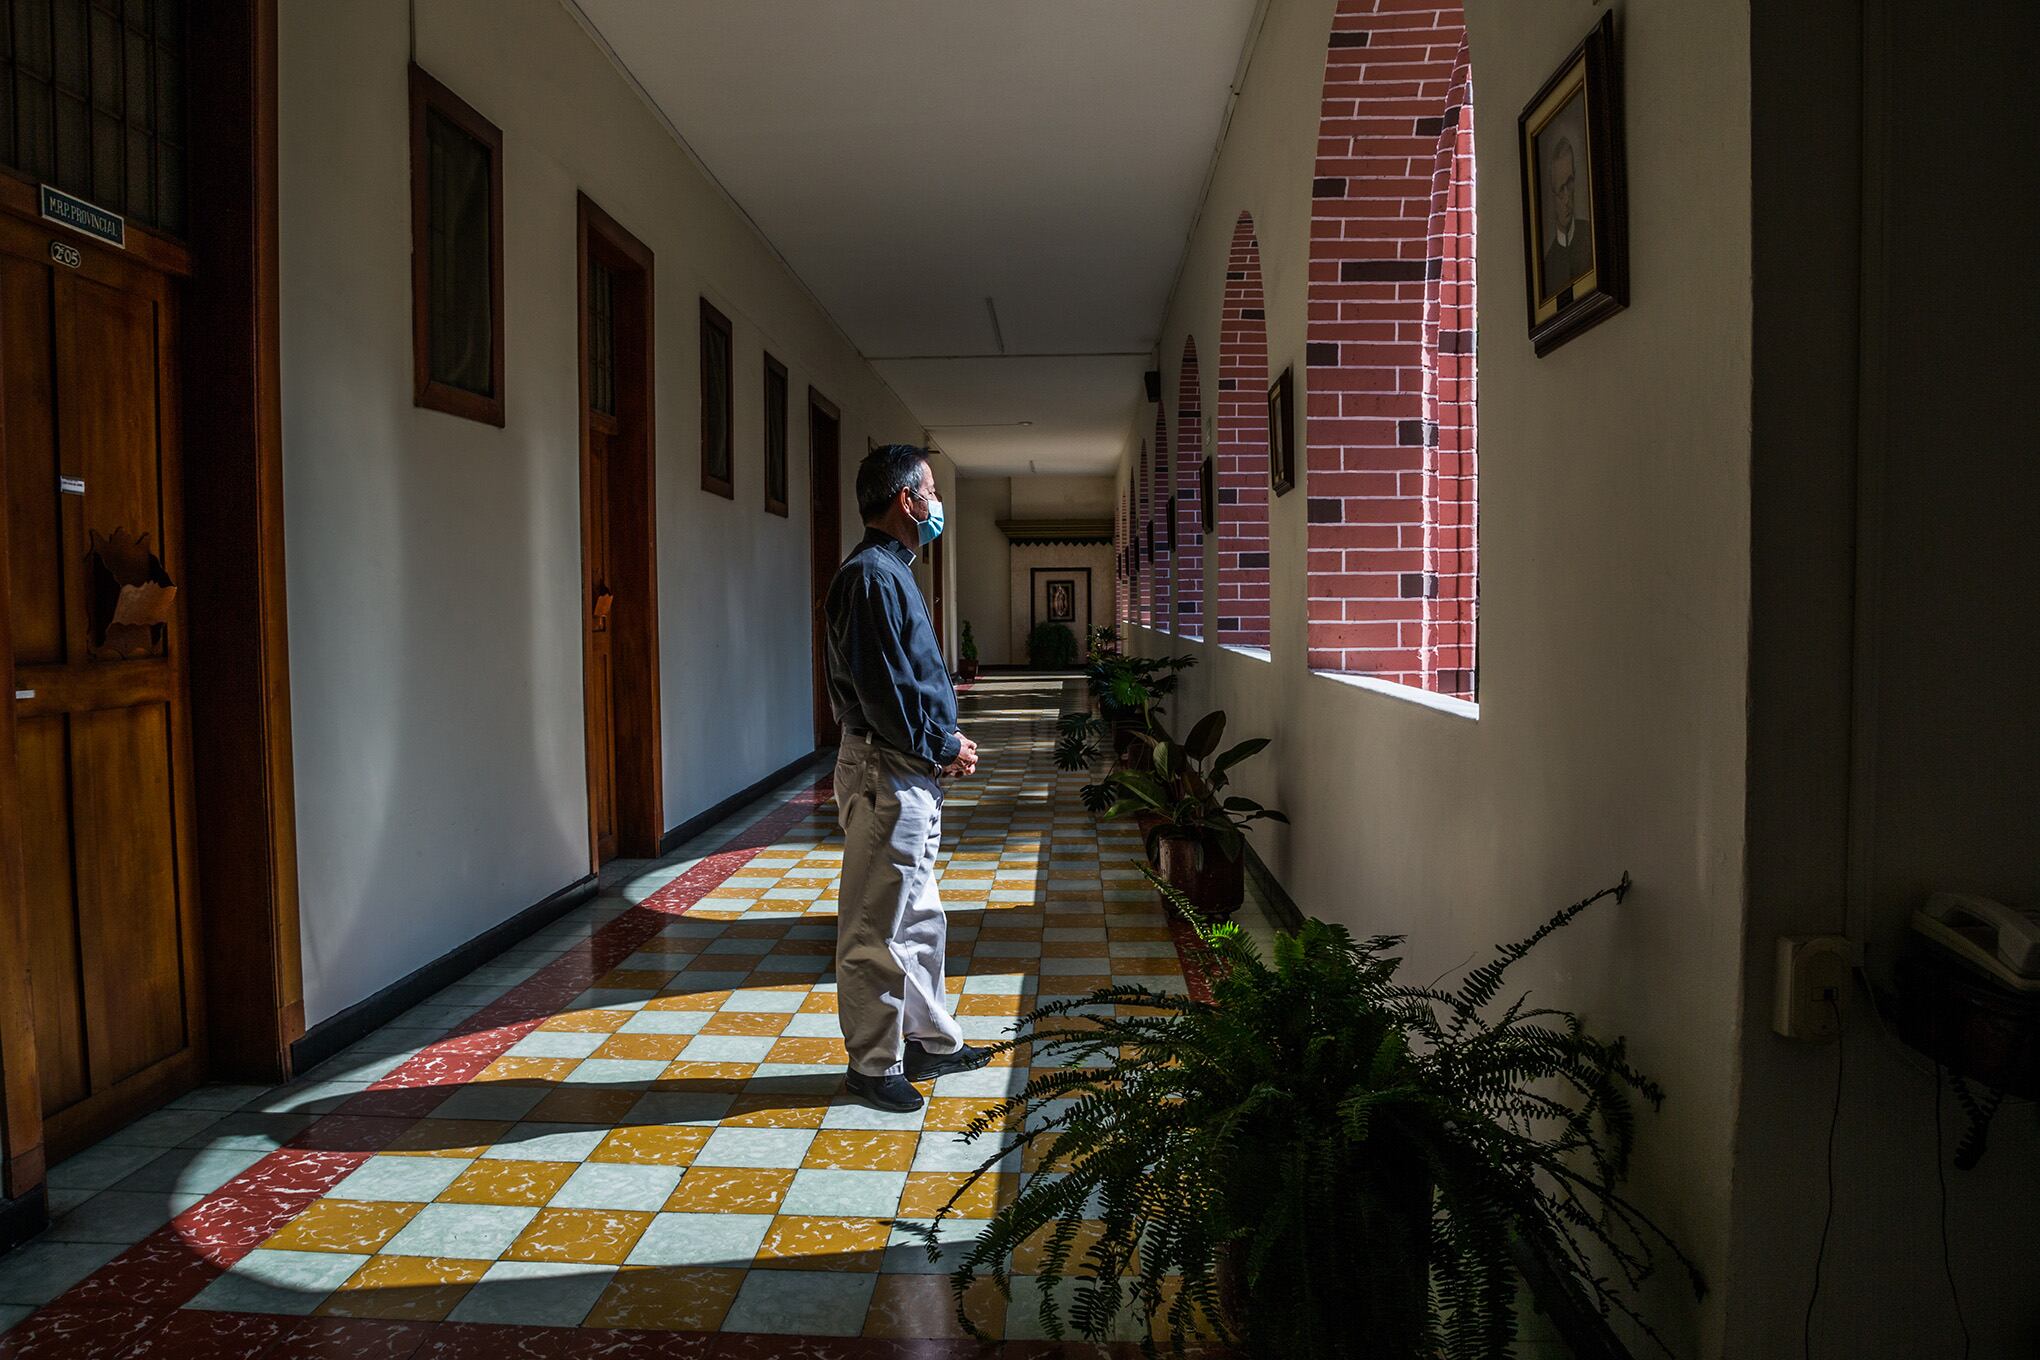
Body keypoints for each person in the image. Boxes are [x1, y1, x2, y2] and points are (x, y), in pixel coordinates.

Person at [824, 444, 993, 1111]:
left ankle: (928, 1040)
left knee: (918, 913)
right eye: (931, 492)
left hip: (906, 766)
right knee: (874, 924)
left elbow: (902, 681)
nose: (936, 506)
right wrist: (942, 744)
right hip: (888, 768)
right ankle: (872, 1064)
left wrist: (938, 743)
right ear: (906, 500)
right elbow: (884, 690)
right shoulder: (870, 577)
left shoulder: (888, 571)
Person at [1541, 132, 1594, 296]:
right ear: (1551, 192)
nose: (1566, 199)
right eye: (1560, 190)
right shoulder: (1548, 264)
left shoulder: (1590, 235)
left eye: (1569, 184)